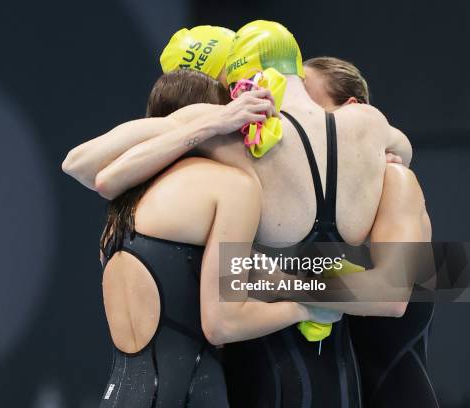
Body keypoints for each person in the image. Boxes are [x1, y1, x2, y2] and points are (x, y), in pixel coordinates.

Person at [63, 21, 430, 407]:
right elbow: (404, 288)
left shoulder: (389, 179)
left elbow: (424, 284)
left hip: (268, 378)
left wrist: (265, 276)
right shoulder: (234, 173)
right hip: (323, 380)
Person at [97, 69, 341, 408]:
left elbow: (195, 277)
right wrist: (304, 308)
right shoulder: (230, 186)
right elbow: (223, 323)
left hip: (119, 395)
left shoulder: (123, 208)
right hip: (191, 395)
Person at [303, 56, 438, 408]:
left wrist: (269, 284)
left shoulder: (394, 182)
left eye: (308, 103)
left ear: (353, 110)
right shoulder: (303, 206)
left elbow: (392, 298)